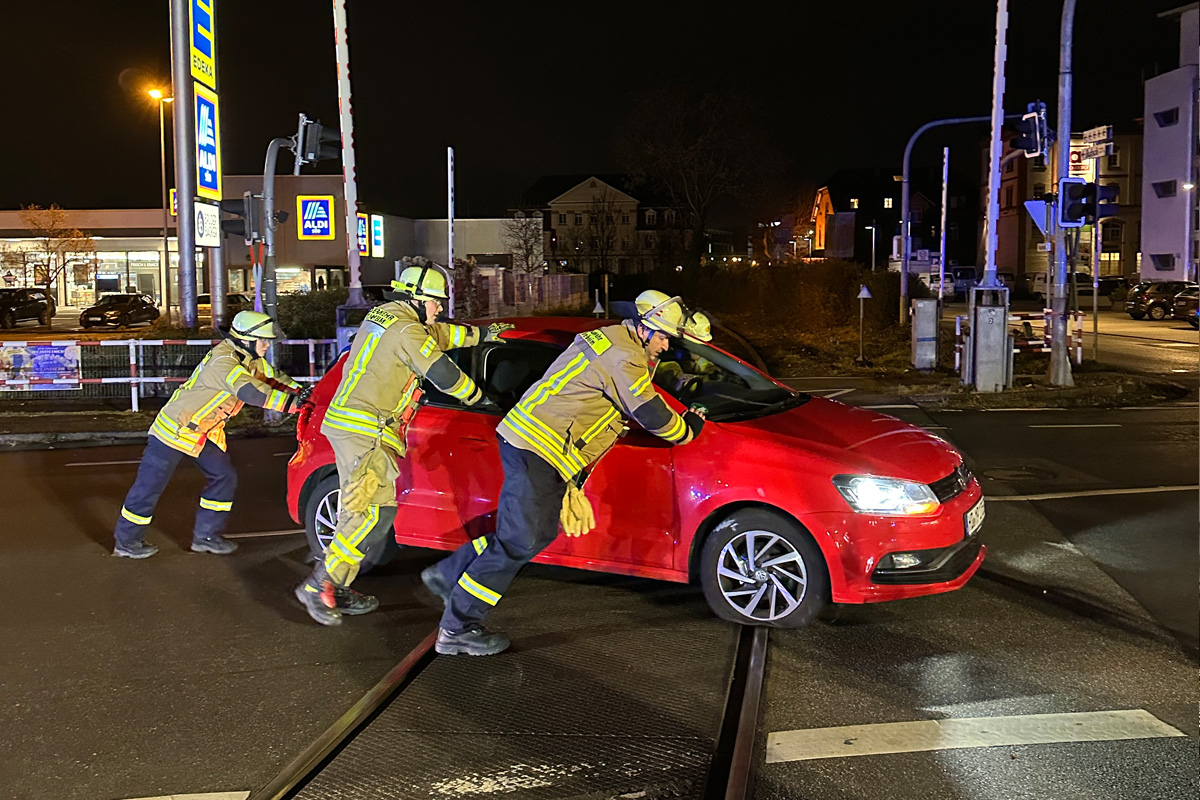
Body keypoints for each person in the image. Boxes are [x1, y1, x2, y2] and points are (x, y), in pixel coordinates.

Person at [422, 289, 708, 656]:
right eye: (664, 337)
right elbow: (650, 414)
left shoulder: (620, 342)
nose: (666, 347)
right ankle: (456, 628)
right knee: (519, 542)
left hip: (542, 449)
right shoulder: (624, 355)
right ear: (644, 329)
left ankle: (449, 575)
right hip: (537, 449)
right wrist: (688, 430)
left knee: (534, 534)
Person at [295, 263, 515, 626]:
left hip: (361, 429)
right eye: (435, 301)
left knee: (373, 514)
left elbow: (438, 335)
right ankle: (319, 586)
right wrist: (481, 400)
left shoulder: (388, 319)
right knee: (367, 515)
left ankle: (337, 584)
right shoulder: (407, 330)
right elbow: (444, 373)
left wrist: (481, 336)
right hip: (364, 432)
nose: (439, 308)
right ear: (416, 298)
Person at [113, 310, 308, 559]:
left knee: (224, 476)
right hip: (174, 430)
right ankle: (126, 542)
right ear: (245, 339)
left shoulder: (250, 359)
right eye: (263, 340)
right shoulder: (224, 361)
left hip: (201, 433)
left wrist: (304, 393)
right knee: (148, 488)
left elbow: (274, 379)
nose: (267, 345)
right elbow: (250, 392)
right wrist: (293, 404)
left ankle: (205, 537)